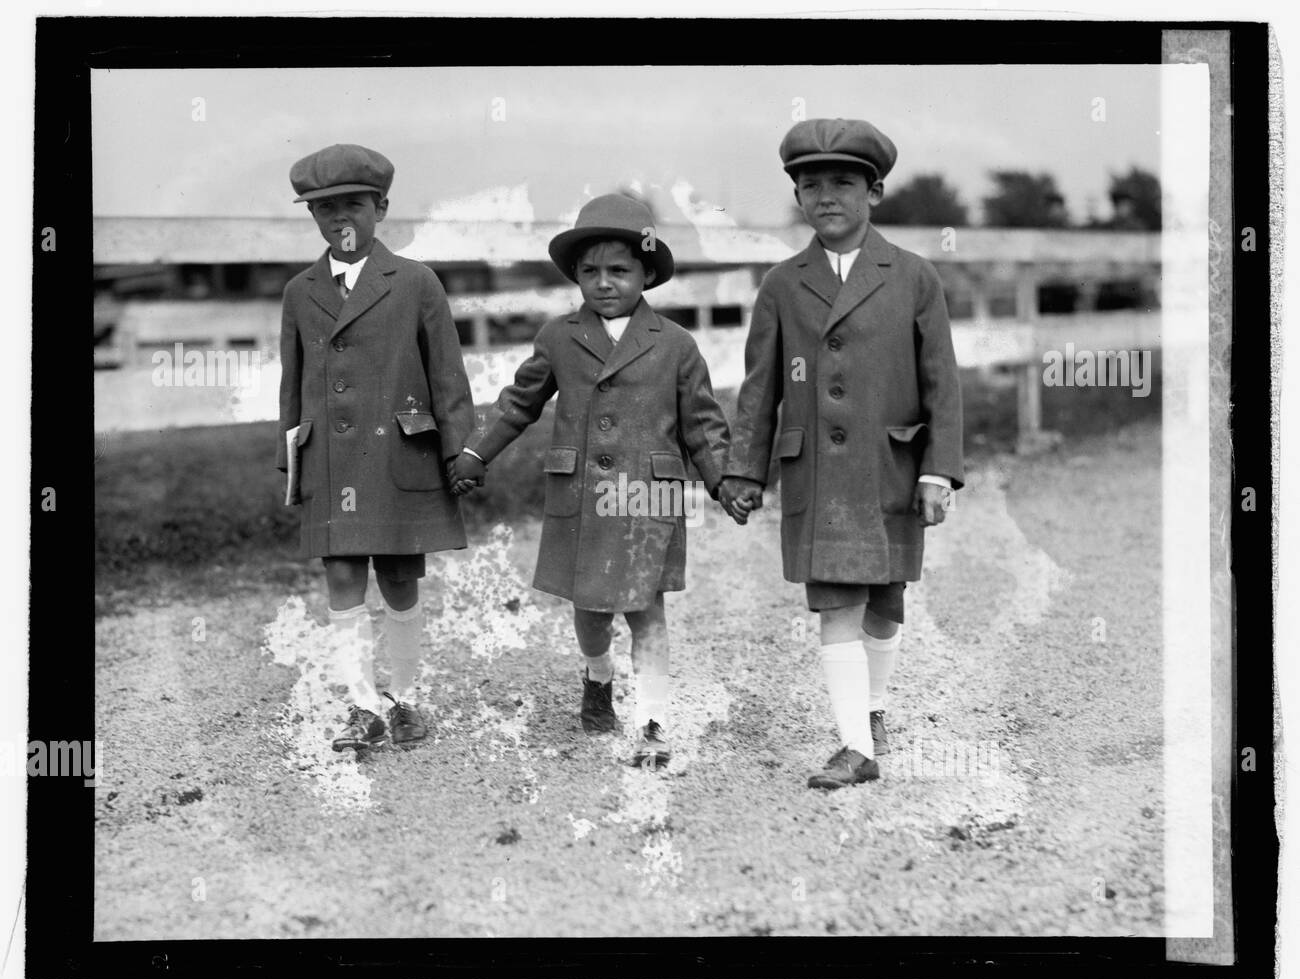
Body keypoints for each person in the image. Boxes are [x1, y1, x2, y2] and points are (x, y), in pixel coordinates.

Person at [719, 118, 964, 790]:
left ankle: (874, 707)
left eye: (843, 182)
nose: (826, 195)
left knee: (886, 599)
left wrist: (939, 468)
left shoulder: (913, 277)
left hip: (893, 465)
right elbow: (759, 386)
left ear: (875, 190)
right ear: (798, 195)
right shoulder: (780, 284)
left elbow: (943, 378)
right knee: (836, 603)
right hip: (818, 473)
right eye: (811, 183)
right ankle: (856, 746)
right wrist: (744, 468)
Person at [450, 194, 729, 769]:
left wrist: (728, 482)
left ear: (647, 273)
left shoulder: (676, 344)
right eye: (591, 271)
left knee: (647, 607)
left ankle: (654, 718)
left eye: (620, 270)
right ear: (575, 275)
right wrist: (477, 451)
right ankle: (598, 675)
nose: (604, 283)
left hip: (647, 497)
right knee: (590, 606)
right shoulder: (558, 337)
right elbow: (518, 403)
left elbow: (704, 425)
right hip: (580, 494)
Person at [276, 143, 474, 752]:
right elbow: (292, 382)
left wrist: (462, 450)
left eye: (354, 205)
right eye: (325, 208)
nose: (341, 219)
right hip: (330, 462)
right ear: (312, 217)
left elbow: (448, 374)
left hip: (398, 456)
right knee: (340, 574)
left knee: (398, 574)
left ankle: (406, 697)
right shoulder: (299, 291)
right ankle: (361, 707)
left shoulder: (415, 283)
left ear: (381, 207)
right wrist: (291, 464)